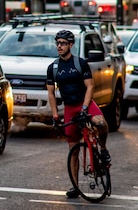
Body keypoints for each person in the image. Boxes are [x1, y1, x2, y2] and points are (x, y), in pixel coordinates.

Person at [46, 29, 110, 199]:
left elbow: (90, 87)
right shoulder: (53, 68)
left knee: (100, 123)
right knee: (73, 148)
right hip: (69, 107)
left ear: (71, 45)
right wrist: (55, 116)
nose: (59, 46)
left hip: (85, 103)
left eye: (63, 43)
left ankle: (102, 149)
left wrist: (84, 108)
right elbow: (51, 94)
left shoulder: (80, 63)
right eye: (57, 43)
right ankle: (75, 186)